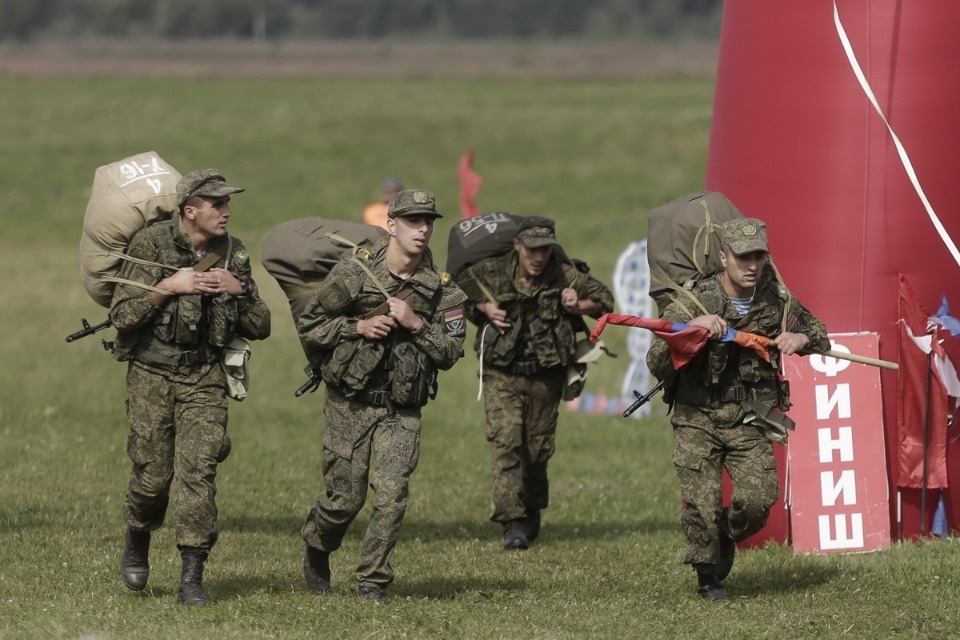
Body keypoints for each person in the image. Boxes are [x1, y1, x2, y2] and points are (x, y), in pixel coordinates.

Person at [645, 217, 829, 603]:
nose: (752, 265)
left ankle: (726, 533)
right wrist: (689, 330)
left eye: (759, 257)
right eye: (743, 257)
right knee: (701, 504)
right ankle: (708, 578)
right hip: (697, 417)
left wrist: (800, 337)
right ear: (724, 257)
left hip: (748, 416)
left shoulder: (776, 298)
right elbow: (656, 360)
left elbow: (818, 333)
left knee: (759, 500)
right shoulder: (695, 300)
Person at [109, 168, 271, 606]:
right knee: (152, 477)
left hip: (204, 377)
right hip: (152, 374)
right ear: (190, 211)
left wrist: (240, 290)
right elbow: (122, 316)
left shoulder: (233, 253)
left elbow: (262, 326)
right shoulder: (150, 245)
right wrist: (167, 287)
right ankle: (137, 536)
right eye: (217, 204)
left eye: (227, 203)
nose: (227, 211)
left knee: (198, 473)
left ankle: (192, 578)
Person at [298, 188, 467, 604]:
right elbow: (311, 325)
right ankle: (318, 543)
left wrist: (416, 324)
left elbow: (451, 353)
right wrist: (357, 327)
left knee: (392, 496)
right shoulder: (354, 272)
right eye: (413, 220)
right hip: (350, 402)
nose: (422, 229)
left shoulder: (443, 291)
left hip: (401, 409)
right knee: (344, 499)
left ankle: (372, 581)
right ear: (391, 225)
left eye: (428, 221)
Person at [455, 216, 615, 551]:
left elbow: (605, 300)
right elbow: (455, 291)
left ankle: (532, 508)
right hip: (502, 373)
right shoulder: (493, 271)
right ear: (517, 246)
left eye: (545, 249)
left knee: (537, 451)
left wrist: (578, 305)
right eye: (532, 249)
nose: (539, 257)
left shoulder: (563, 274)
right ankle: (512, 522)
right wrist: (484, 307)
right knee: (506, 443)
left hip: (546, 374)